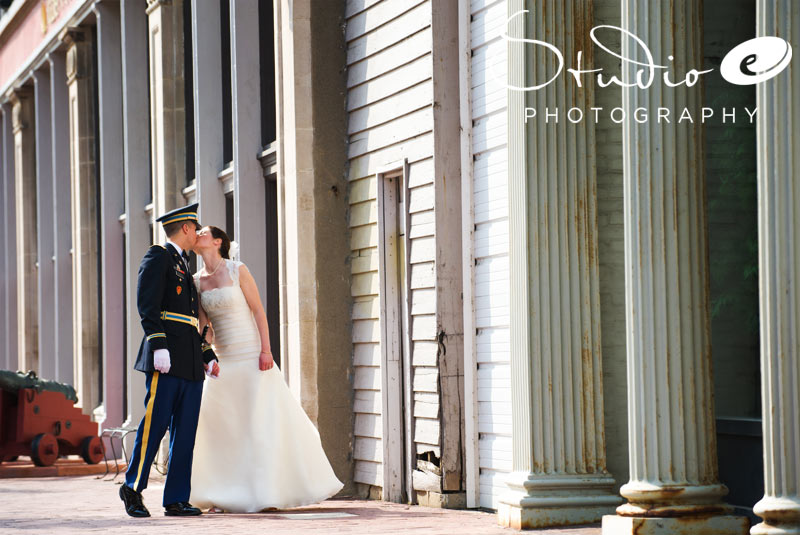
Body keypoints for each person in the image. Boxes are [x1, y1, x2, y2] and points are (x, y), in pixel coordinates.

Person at [189, 226, 343, 512]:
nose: (198, 233)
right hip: (223, 361)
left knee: (257, 422)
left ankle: (265, 490)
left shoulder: (238, 270)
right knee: (221, 425)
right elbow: (203, 324)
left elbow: (258, 310)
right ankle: (222, 490)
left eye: (204, 231)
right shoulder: (197, 280)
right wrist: (204, 353)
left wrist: (266, 350)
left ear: (218, 241)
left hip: (249, 353)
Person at [119, 204, 220, 518]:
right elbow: (147, 306)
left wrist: (206, 354)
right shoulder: (159, 256)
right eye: (196, 227)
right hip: (166, 359)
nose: (197, 232)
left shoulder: (181, 264)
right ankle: (133, 488)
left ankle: (176, 498)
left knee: (184, 432)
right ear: (187, 228)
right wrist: (158, 345)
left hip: (189, 361)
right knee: (155, 425)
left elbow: (191, 320)